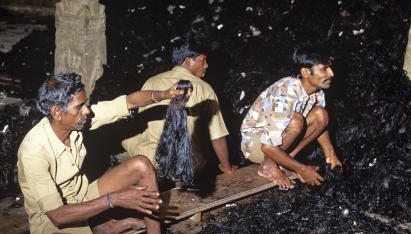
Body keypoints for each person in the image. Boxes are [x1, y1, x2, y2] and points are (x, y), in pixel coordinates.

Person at [17, 72, 184, 234]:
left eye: (85, 103)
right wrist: (115, 199)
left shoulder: (78, 120)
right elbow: (57, 215)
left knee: (142, 164)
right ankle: (102, 231)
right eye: (79, 107)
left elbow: (129, 101)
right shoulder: (33, 150)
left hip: (85, 194)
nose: (87, 111)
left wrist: (164, 94)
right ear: (57, 112)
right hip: (55, 215)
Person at [122, 42, 237, 177]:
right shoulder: (205, 88)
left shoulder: (151, 82)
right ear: (188, 61)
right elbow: (217, 138)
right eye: (203, 61)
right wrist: (226, 167)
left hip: (153, 160)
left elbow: (141, 123)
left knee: (127, 137)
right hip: (189, 164)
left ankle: (150, 169)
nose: (206, 65)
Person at [240, 48, 342, 189]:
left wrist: (330, 152)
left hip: (280, 142)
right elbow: (267, 146)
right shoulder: (286, 92)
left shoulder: (317, 92)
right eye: (324, 69)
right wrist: (302, 169)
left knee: (321, 114)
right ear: (305, 72)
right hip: (256, 145)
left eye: (330, 68)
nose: (332, 73)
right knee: (296, 121)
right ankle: (268, 166)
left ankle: (283, 161)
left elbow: (321, 124)